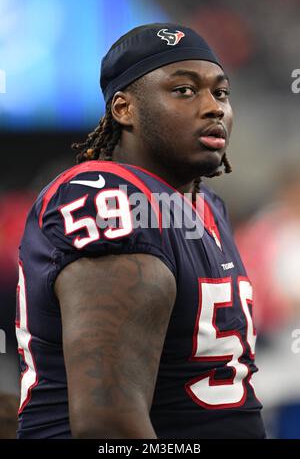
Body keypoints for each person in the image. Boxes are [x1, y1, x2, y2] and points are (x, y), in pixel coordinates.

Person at [16, 23, 265, 438]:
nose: (214, 108)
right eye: (184, 90)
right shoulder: (110, 199)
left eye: (220, 92)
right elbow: (108, 425)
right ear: (123, 109)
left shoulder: (207, 207)